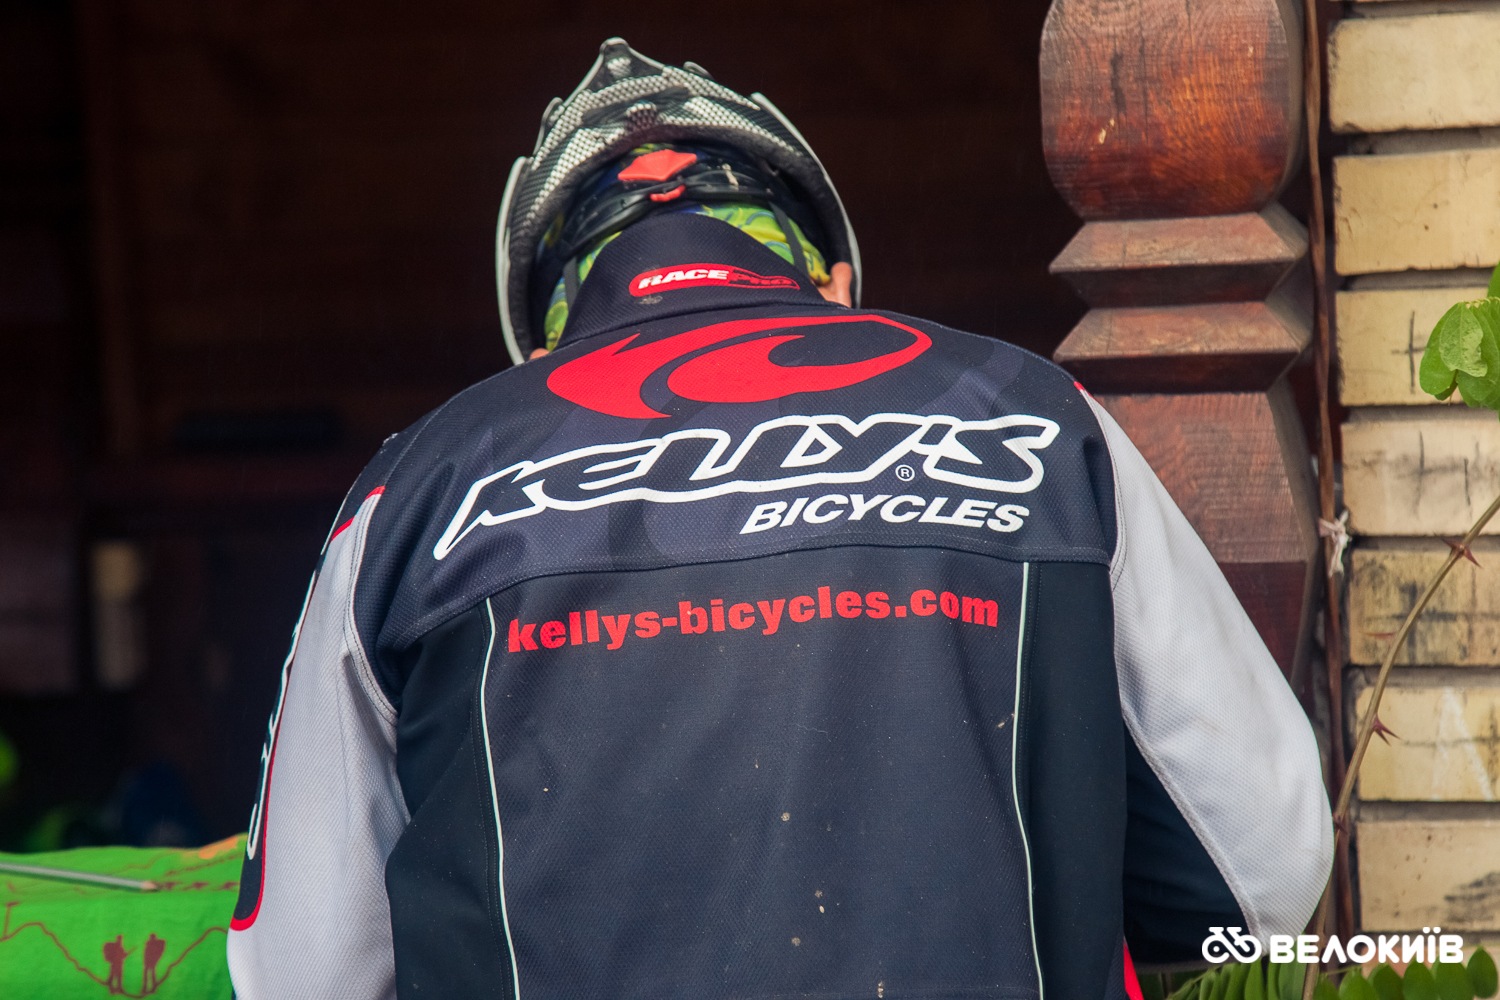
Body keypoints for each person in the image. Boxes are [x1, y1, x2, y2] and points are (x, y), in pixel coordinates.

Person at [227, 38, 1332, 1000]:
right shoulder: (1038, 418)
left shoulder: (413, 490)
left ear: (546, 344)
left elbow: (305, 969)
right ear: (834, 281)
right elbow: (1259, 878)